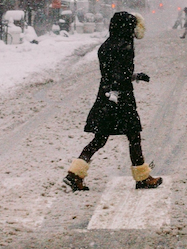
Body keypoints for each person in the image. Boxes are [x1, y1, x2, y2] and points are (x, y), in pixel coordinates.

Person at [64, 11, 162, 191]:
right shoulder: (124, 46)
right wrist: (118, 93)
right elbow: (119, 75)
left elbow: (113, 73)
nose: (134, 30)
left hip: (106, 95)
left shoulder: (106, 45)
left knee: (100, 138)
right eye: (132, 27)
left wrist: (133, 77)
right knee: (133, 136)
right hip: (120, 97)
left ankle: (75, 174)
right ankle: (142, 178)